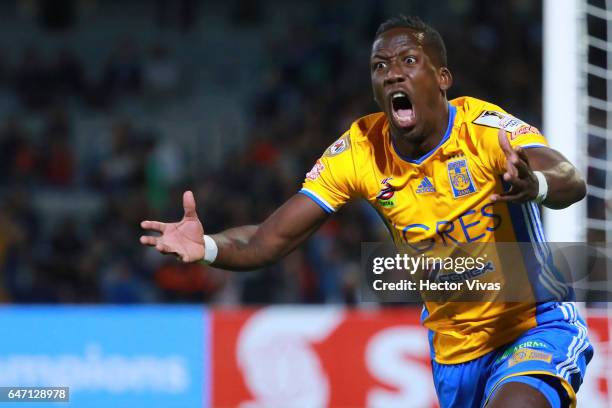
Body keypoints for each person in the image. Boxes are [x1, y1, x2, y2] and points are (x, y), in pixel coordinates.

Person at [140, 15, 592, 408]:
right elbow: (268, 240)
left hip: (533, 325)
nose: (393, 74)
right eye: (381, 66)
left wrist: (537, 184)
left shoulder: (483, 130)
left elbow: (568, 177)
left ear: (443, 78)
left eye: (409, 61)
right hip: (456, 354)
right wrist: (209, 246)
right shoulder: (358, 152)